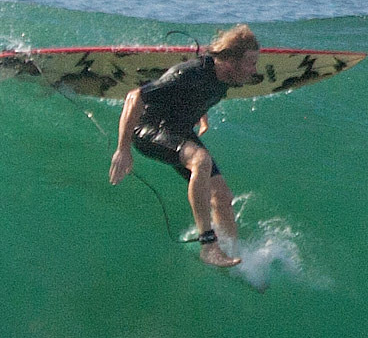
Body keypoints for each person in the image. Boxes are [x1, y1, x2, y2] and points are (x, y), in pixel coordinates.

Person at [108, 25, 261, 267]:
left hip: (177, 130)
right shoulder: (189, 73)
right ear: (231, 60)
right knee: (201, 160)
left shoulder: (224, 78)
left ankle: (231, 255)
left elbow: (194, 96)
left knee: (222, 195)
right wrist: (123, 150)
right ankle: (208, 246)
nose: (254, 70)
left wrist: (200, 114)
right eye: (250, 63)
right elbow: (134, 97)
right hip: (149, 130)